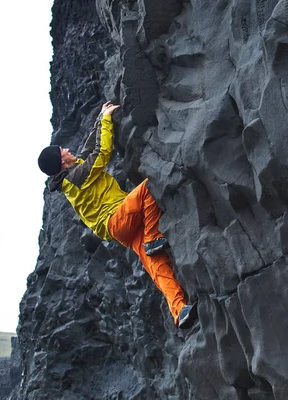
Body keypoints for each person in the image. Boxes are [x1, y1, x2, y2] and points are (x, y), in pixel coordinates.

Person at [38, 102, 198, 329]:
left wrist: (101, 117)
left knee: (156, 265)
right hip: (117, 218)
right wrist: (105, 121)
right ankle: (153, 236)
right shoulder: (76, 178)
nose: (66, 149)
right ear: (61, 161)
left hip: (120, 229)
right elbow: (102, 154)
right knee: (149, 186)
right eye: (61, 151)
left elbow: (88, 147)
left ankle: (179, 310)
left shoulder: (72, 171)